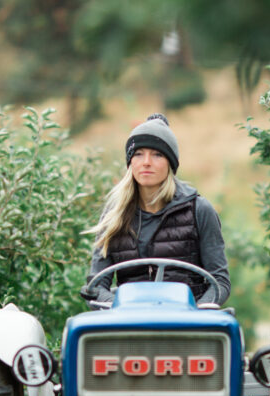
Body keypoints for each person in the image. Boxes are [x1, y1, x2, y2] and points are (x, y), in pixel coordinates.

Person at [85, 113, 230, 306]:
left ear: (170, 163)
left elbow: (220, 282)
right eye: (138, 154)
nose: (146, 162)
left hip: (186, 324)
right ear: (130, 163)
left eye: (157, 154)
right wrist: (123, 308)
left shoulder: (199, 210)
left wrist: (195, 312)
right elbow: (96, 287)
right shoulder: (114, 215)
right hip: (129, 324)